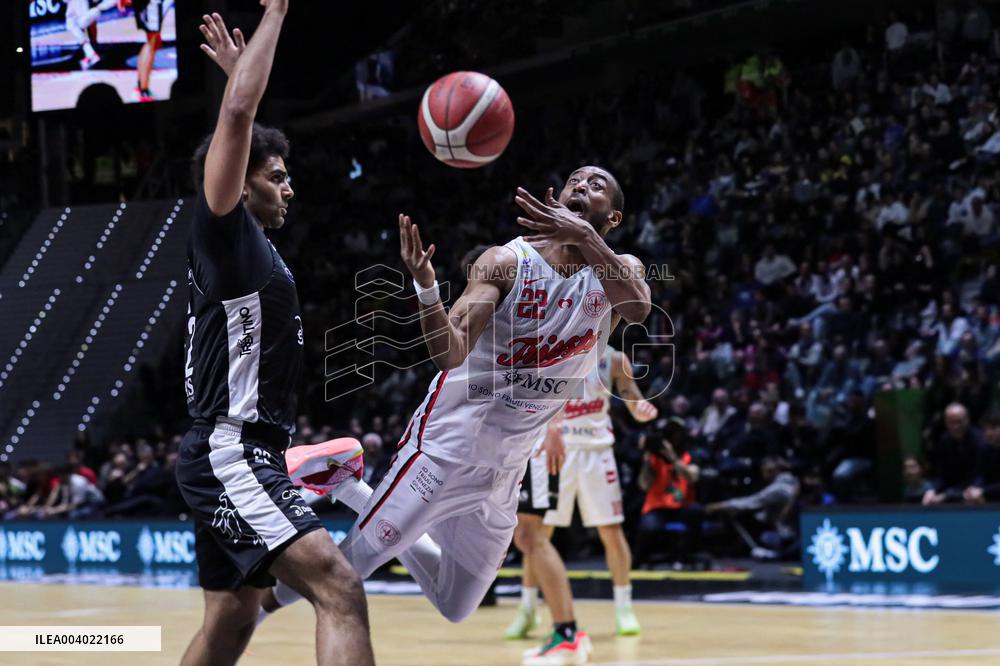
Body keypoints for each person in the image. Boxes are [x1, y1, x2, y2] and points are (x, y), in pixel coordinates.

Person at [263, 165, 651, 666]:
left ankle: (347, 485)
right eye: (576, 180)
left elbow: (638, 309)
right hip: (445, 448)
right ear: (557, 197)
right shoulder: (505, 262)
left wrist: (582, 236)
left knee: (457, 604)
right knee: (350, 568)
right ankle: (255, 608)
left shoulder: (622, 271)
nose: (582, 186)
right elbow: (450, 353)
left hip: (506, 468)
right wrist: (427, 289)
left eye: (597, 186)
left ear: (612, 218)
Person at [175, 6, 374, 666]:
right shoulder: (223, 234)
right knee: (339, 587)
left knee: (231, 620)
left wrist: (243, 85)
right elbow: (235, 116)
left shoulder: (255, 249)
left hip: (238, 448)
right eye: (277, 175)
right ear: (242, 181)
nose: (291, 188)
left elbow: (243, 119)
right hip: (232, 451)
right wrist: (279, 11)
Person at [507, 345, 657, 642]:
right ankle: (527, 608)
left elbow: (634, 402)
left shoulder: (615, 360)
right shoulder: (559, 350)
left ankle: (624, 607)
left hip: (596, 452)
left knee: (610, 530)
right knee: (537, 533)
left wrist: (642, 410)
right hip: (555, 451)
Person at [65, 0, 119, 70]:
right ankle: (90, 54)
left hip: (85, 11)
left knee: (76, 25)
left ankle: (91, 53)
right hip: (81, 11)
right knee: (74, 26)